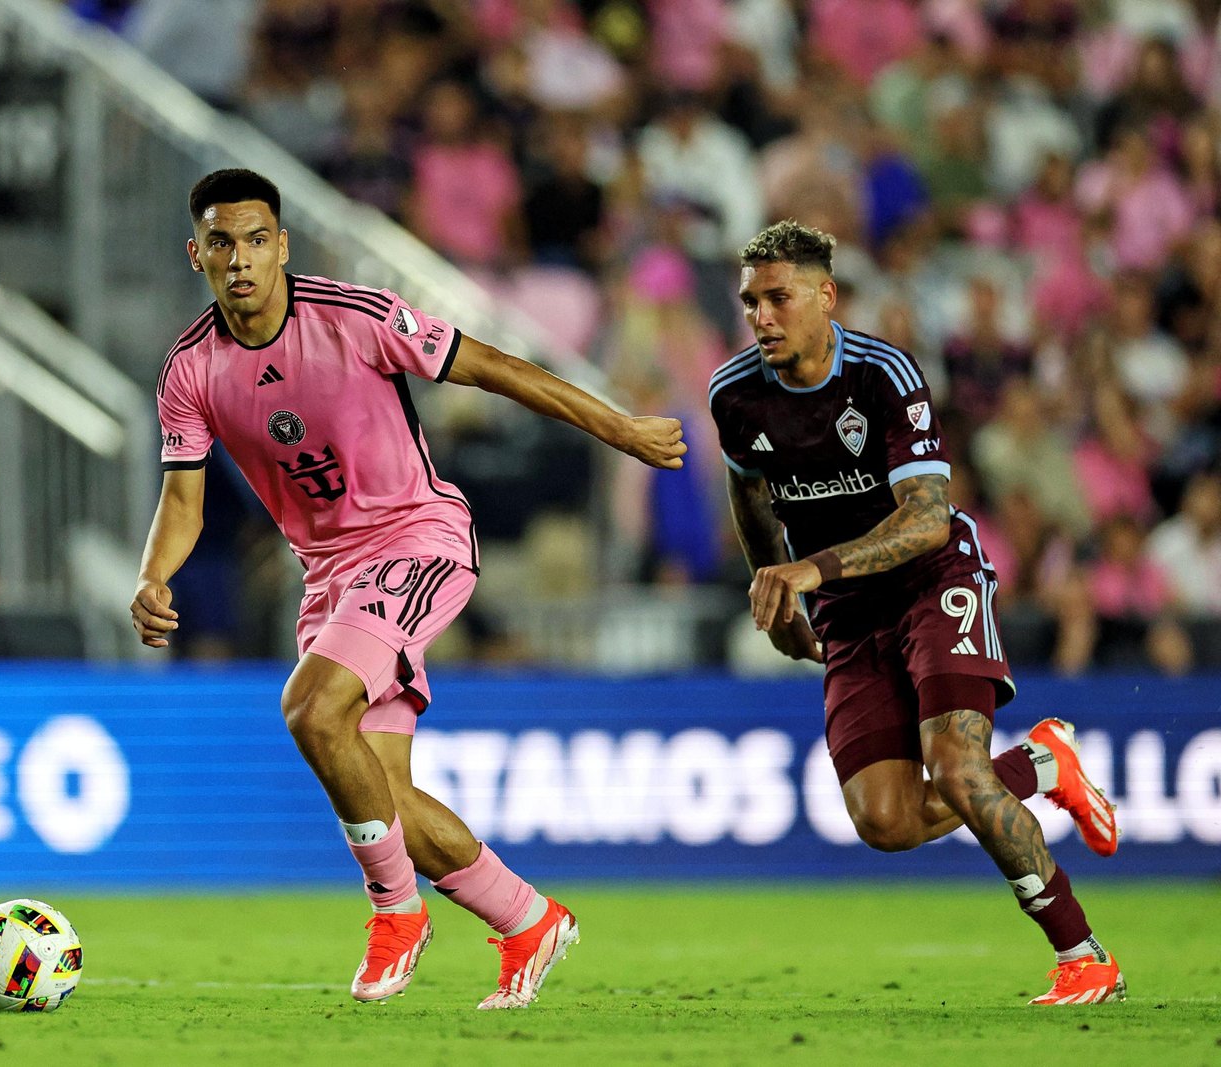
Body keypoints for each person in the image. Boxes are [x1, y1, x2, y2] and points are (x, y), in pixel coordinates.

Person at [130, 169, 684, 1009]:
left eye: (254, 240)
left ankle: (396, 914)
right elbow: (182, 500)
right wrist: (151, 574)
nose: (239, 260)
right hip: (329, 579)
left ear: (281, 245)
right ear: (196, 253)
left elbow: (493, 367)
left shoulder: (355, 317)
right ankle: (526, 916)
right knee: (380, 793)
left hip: (419, 540)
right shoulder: (190, 370)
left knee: (312, 708)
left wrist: (618, 426)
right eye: (220, 243)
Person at [709, 219, 1124, 1006]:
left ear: (825, 297)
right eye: (749, 301)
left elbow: (927, 516)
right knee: (886, 819)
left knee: (959, 769)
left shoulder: (883, 375)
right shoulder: (734, 393)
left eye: (778, 297)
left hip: (933, 578)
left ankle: (1084, 953)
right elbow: (749, 491)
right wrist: (775, 585)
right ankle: (1043, 764)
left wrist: (809, 567)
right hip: (844, 610)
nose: (761, 315)